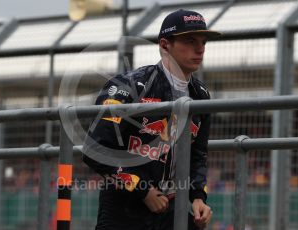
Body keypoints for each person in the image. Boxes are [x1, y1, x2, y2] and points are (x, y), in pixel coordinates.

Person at [82, 9, 220, 230]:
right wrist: (142, 190)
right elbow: (95, 149)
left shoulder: (201, 95)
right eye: (190, 40)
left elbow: (198, 154)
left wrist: (198, 197)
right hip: (125, 206)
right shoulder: (128, 87)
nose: (200, 48)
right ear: (165, 45)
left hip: (173, 207)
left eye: (203, 41)